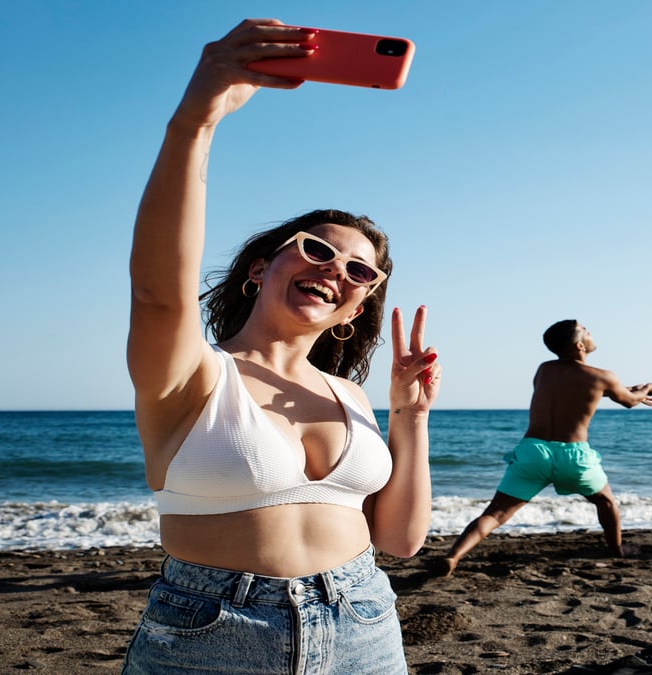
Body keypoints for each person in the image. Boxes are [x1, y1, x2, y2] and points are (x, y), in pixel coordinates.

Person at [121, 19, 440, 673]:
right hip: (215, 631)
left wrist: (410, 416)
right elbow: (159, 293)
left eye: (359, 271)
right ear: (259, 269)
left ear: (358, 305)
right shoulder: (194, 373)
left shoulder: (348, 394)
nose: (335, 270)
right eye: (318, 250)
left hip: (364, 619)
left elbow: (402, 540)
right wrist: (195, 124)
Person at [433, 320, 652, 576]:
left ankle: (453, 556)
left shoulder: (544, 370)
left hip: (533, 451)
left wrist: (625, 390)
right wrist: (647, 388)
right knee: (605, 501)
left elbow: (580, 392)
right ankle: (617, 550)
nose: (590, 332)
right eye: (586, 330)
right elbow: (629, 401)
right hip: (573, 455)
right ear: (579, 345)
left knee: (495, 514)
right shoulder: (603, 377)